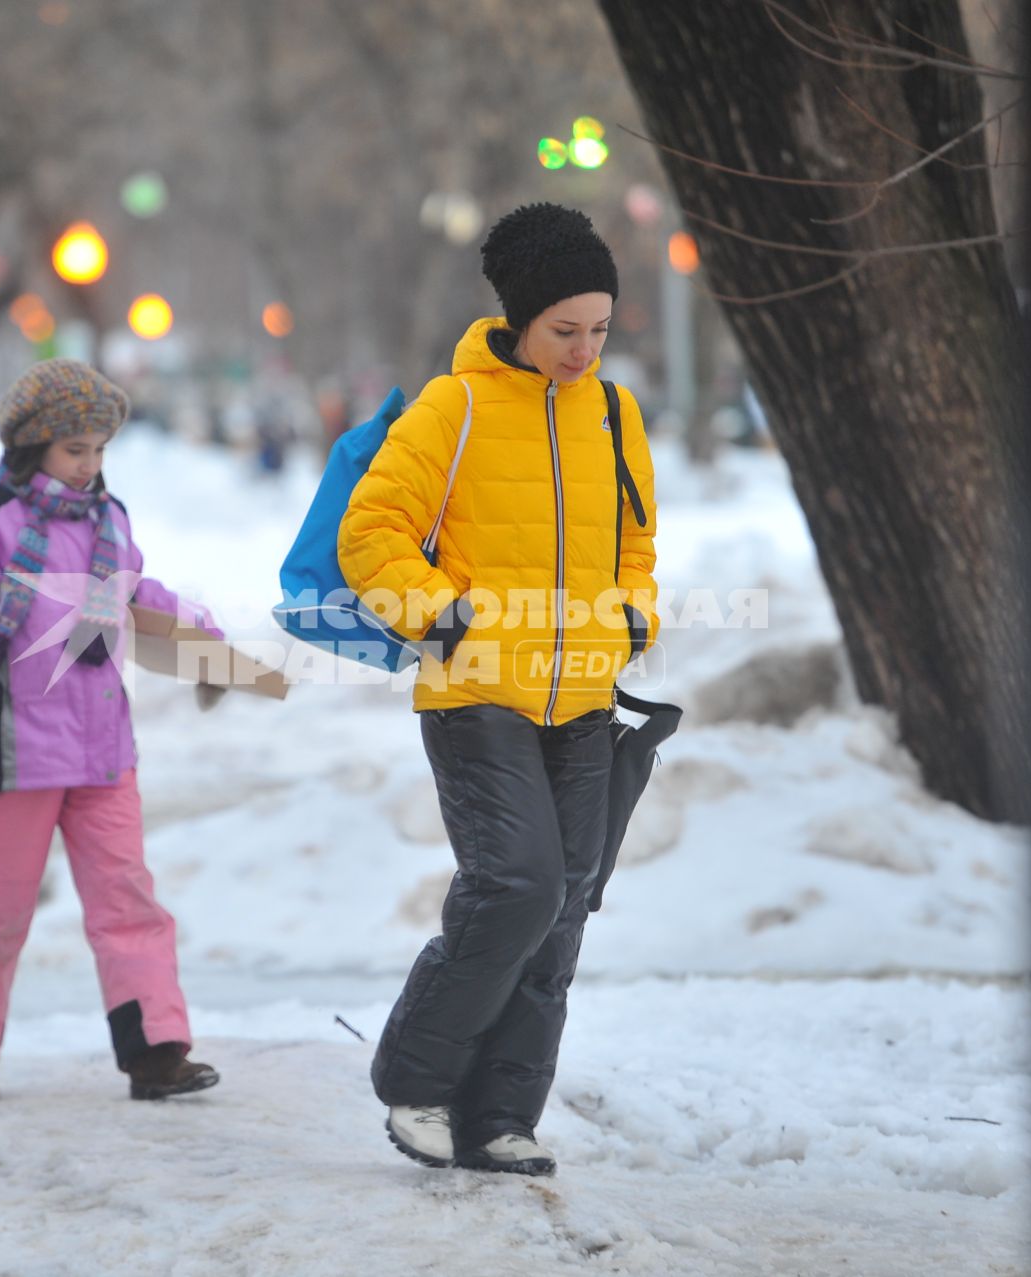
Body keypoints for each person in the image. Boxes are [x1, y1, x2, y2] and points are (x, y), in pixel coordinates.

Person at [338, 203, 659, 1177]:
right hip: (478, 694)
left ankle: (501, 1116)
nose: (584, 349)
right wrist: (448, 618)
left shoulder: (614, 412)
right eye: (567, 330)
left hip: (585, 699)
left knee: (564, 906)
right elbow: (372, 534)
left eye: (599, 330)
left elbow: (636, 540)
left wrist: (633, 616)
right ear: (522, 318)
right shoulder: (456, 407)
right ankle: (419, 1080)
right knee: (518, 883)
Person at [0, 358, 222, 1105]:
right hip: (16, 748)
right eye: (74, 449)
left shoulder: (109, 519)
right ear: (32, 446)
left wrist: (207, 644)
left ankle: (155, 1050)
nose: (89, 465)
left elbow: (138, 595)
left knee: (128, 900)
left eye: (99, 449)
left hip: (104, 751)